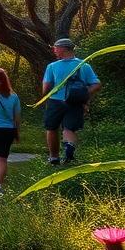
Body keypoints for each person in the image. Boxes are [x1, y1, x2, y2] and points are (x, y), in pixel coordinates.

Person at [42, 37, 102, 165]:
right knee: (69, 129)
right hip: (75, 102)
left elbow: (46, 87)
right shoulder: (84, 65)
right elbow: (96, 85)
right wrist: (83, 94)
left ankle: (54, 158)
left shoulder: (52, 66)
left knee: (52, 128)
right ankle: (69, 147)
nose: (54, 51)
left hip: (55, 101)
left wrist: (45, 97)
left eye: (55, 48)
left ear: (63, 49)